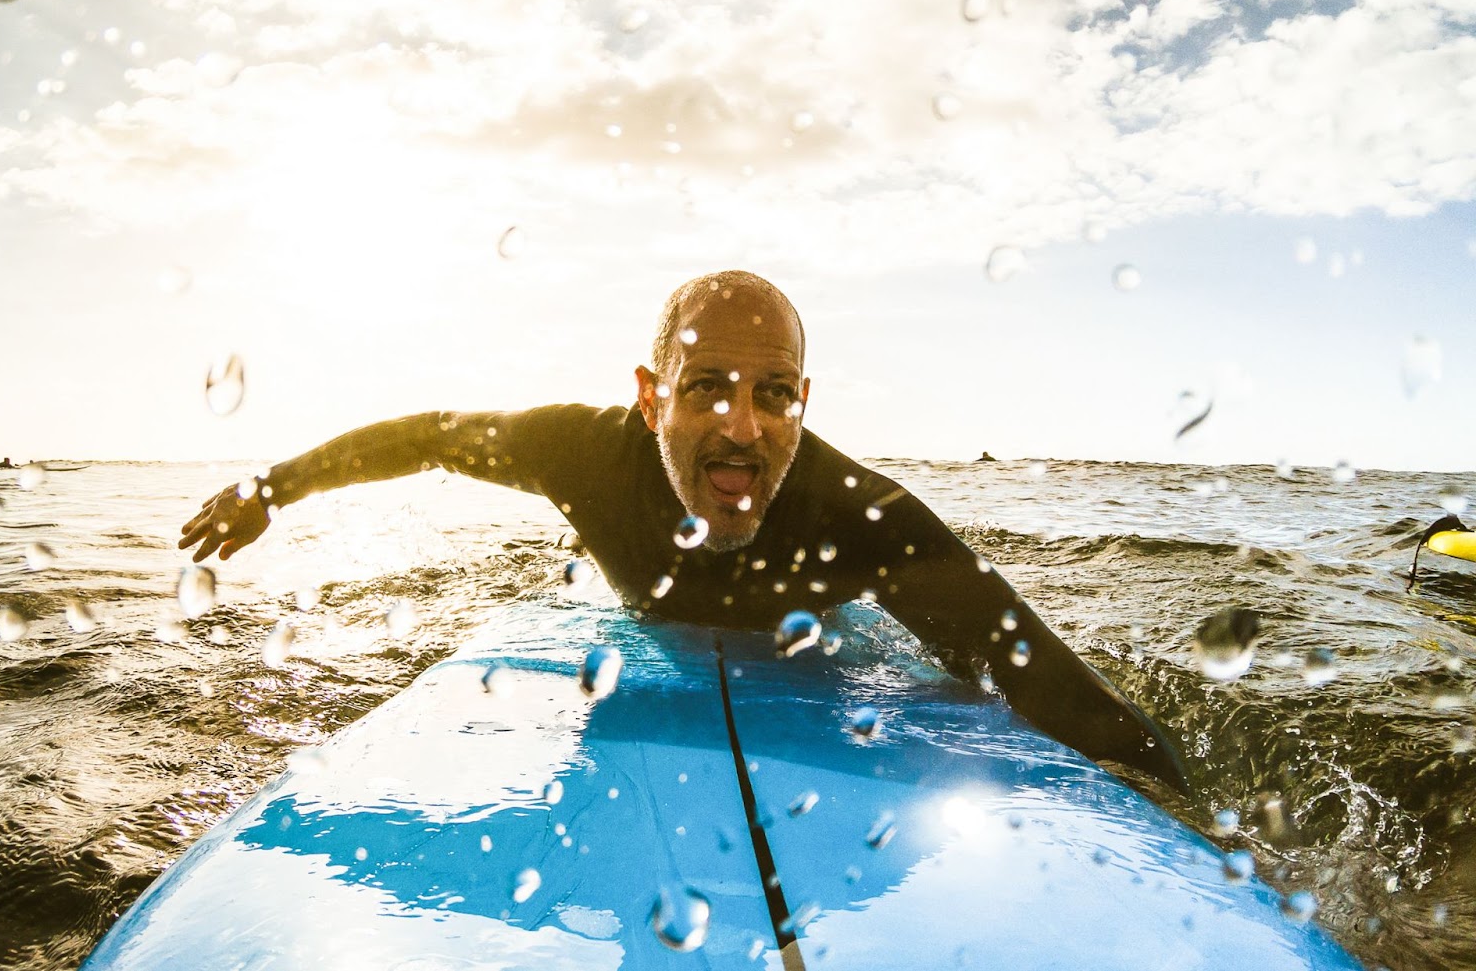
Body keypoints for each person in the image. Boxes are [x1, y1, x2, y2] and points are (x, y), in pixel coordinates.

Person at [179, 271, 1189, 791]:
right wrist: (275, 486)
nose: (742, 427)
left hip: (809, 648)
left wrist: (1211, 826)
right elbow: (430, 437)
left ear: (803, 401)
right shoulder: (578, 452)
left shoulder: (862, 520)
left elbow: (1049, 685)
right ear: (650, 395)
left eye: (773, 394)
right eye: (707, 387)